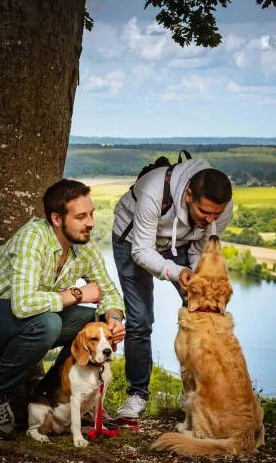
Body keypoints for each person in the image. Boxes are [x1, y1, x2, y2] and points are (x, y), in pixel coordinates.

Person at [0, 179, 126, 441]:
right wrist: (77, 294)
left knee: (93, 322)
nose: (90, 222)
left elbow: (110, 292)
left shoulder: (84, 245)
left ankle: (62, 400)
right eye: (81, 216)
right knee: (49, 323)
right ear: (57, 218)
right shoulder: (32, 239)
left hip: (20, 324)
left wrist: (112, 318)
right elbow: (23, 305)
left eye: (91, 214)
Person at [111, 158, 233, 419]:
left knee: (205, 313)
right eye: (205, 213)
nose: (211, 220)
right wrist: (177, 273)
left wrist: (192, 273)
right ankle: (137, 395)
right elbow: (142, 251)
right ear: (189, 195)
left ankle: (195, 391)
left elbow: (200, 250)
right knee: (140, 319)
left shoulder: (222, 207)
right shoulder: (155, 191)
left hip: (181, 244)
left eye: (217, 215)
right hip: (134, 240)